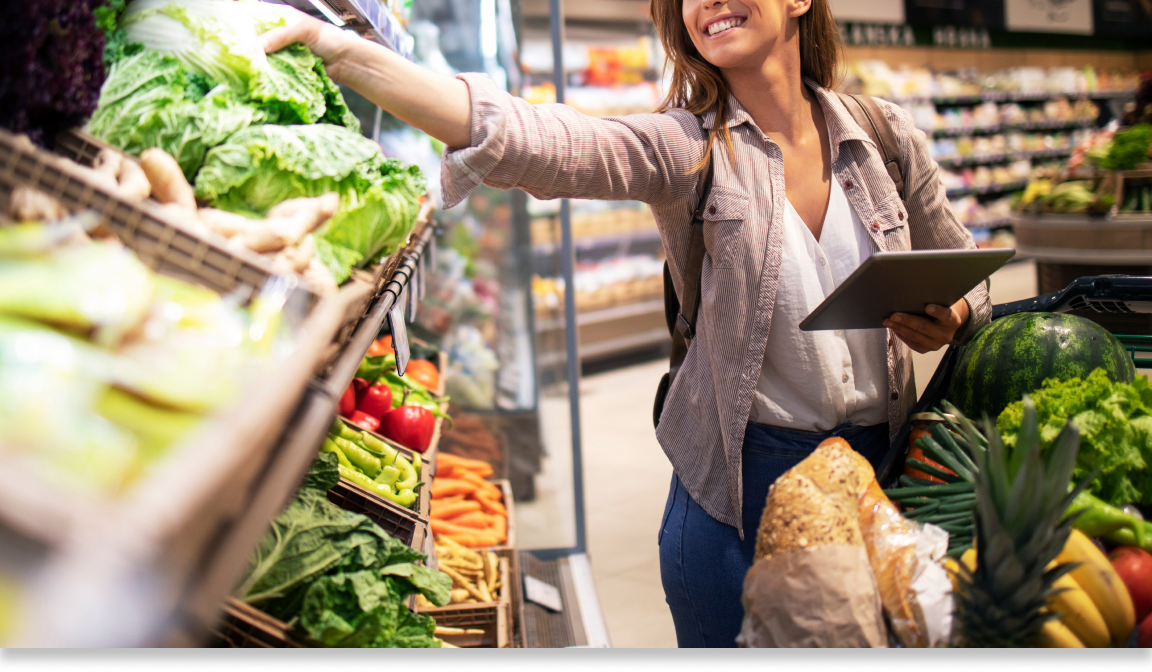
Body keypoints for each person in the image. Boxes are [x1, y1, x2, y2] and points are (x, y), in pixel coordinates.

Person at [261, 0, 991, 647]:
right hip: (737, 491)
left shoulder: (883, 136)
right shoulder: (690, 147)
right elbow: (535, 139)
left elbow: (974, 281)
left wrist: (953, 313)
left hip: (881, 477)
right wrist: (339, 50)